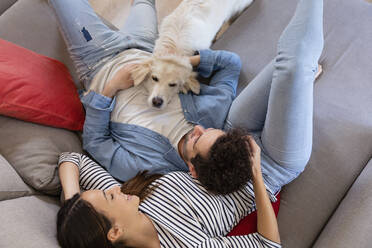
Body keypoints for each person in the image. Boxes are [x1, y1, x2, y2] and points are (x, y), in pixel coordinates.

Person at [49, 0, 323, 196]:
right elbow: (230, 65)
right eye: (213, 132)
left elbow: (95, 142)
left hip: (98, 60)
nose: (198, 129)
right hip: (147, 49)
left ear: (192, 169)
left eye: (197, 139)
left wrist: (110, 88)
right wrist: (180, 63)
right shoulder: (213, 115)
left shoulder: (149, 166)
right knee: (144, 3)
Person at [57, 136, 281, 248]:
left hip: (220, 144)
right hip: (266, 170)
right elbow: (268, 245)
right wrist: (256, 172)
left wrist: (73, 203)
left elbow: (72, 159)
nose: (114, 187)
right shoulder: (188, 243)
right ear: (115, 232)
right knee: (292, 67)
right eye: (110, 196)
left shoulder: (133, 201)